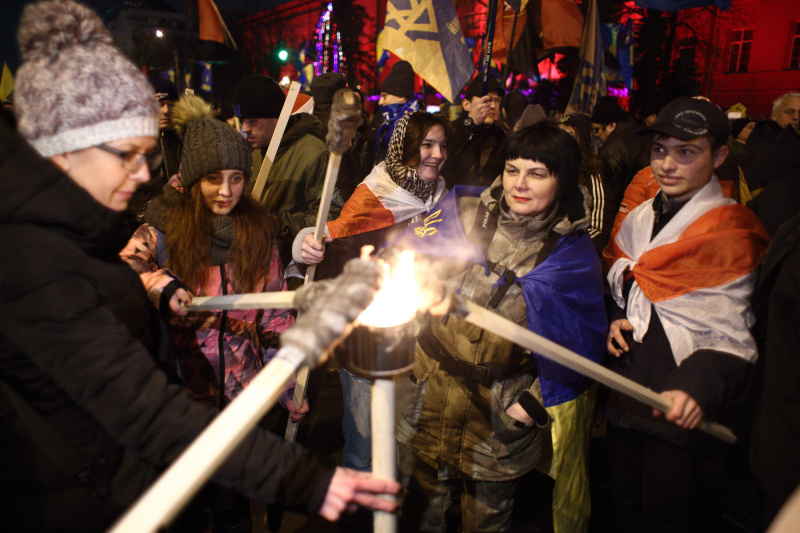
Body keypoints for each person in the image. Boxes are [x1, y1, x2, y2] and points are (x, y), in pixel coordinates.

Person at [0, 2, 399, 531]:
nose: (143, 173)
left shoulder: (73, 232)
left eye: (147, 154)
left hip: (164, 451)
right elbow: (143, 408)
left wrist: (286, 381)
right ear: (65, 149)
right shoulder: (36, 261)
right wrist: (304, 479)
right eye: (126, 153)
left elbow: (273, 316)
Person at [394, 122, 607, 532]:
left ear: (561, 181)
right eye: (512, 169)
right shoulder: (463, 213)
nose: (519, 184)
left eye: (537, 173)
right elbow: (407, 265)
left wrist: (529, 406)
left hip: (498, 414)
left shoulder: (570, 256)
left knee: (488, 519)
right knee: (421, 510)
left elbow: (579, 347)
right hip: (429, 392)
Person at [603, 96, 769, 533]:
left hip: (678, 412)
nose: (667, 164)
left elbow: (734, 333)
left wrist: (696, 388)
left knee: (669, 518)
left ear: (719, 157)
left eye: (686, 152)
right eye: (660, 149)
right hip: (624, 398)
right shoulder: (639, 217)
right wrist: (615, 316)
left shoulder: (732, 230)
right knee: (625, 508)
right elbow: (626, 281)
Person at [296, 111, 449, 470]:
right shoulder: (374, 196)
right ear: (405, 147)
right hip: (367, 350)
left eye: (443, 145)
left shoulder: (442, 197)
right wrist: (306, 245)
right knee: (364, 451)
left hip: (419, 352)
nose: (437, 154)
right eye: (427, 144)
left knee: (405, 446)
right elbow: (332, 244)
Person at [233, 74, 343, 269]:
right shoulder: (256, 154)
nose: (245, 128)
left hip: (297, 269)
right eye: (242, 121)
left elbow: (331, 217)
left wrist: (277, 223)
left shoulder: (314, 154)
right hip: (259, 266)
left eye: (252, 120)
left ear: (276, 118)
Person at [558, 112, 616, 254]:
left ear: (581, 140)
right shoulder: (548, 171)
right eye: (559, 133)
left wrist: (563, 254)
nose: (562, 139)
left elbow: (599, 230)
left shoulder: (592, 176)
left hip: (572, 261)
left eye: (569, 134)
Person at [128, 77, 182, 225]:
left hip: (180, 223)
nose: (166, 111)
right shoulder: (133, 144)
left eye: (171, 105)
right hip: (142, 224)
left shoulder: (188, 140)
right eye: (160, 104)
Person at [441, 75, 506, 188]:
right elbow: (444, 166)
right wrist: (472, 123)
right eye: (486, 100)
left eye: (497, 100)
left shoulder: (501, 137)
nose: (493, 106)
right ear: (466, 104)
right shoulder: (449, 131)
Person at [591, 95, 651, 204]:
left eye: (597, 129)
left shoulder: (611, 150)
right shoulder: (642, 132)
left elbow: (611, 191)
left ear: (611, 125)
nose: (596, 134)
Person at [740, 92, 800, 192]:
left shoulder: (791, 140)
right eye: (789, 112)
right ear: (774, 116)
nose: (796, 117)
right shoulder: (761, 146)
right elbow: (758, 193)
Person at [373, 60, 420, 163]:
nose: (380, 102)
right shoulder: (382, 123)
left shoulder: (421, 125)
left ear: (401, 96)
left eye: (384, 96)